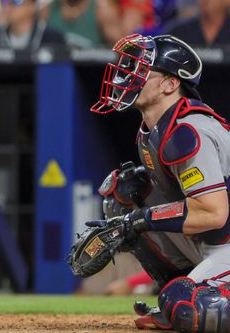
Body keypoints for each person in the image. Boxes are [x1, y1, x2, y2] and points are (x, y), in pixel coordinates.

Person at [80, 34, 230, 331]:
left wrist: (138, 221)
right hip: (214, 243)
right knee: (122, 192)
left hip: (224, 238)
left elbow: (213, 213)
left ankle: (191, 294)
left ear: (170, 84)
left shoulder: (188, 131)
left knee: (186, 306)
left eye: (140, 69)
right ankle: (185, 286)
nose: (127, 76)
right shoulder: (152, 132)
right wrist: (132, 219)